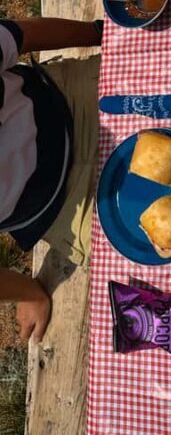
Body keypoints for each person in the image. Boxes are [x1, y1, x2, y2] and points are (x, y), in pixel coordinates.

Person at [0, 17, 103, 341]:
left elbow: (19, 36)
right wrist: (31, 292)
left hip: (71, 101)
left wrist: (102, 33)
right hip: (65, 211)